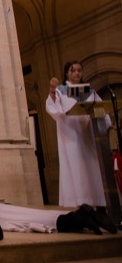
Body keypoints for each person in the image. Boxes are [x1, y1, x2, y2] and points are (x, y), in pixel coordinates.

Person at [46, 60, 110, 207]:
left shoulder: (88, 90)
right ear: (67, 73)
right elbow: (53, 107)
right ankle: (81, 205)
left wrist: (105, 123)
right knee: (76, 170)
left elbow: (100, 107)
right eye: (73, 70)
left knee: (93, 168)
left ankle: (100, 204)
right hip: (70, 137)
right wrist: (51, 90)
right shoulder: (61, 90)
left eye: (79, 70)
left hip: (87, 134)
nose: (76, 73)